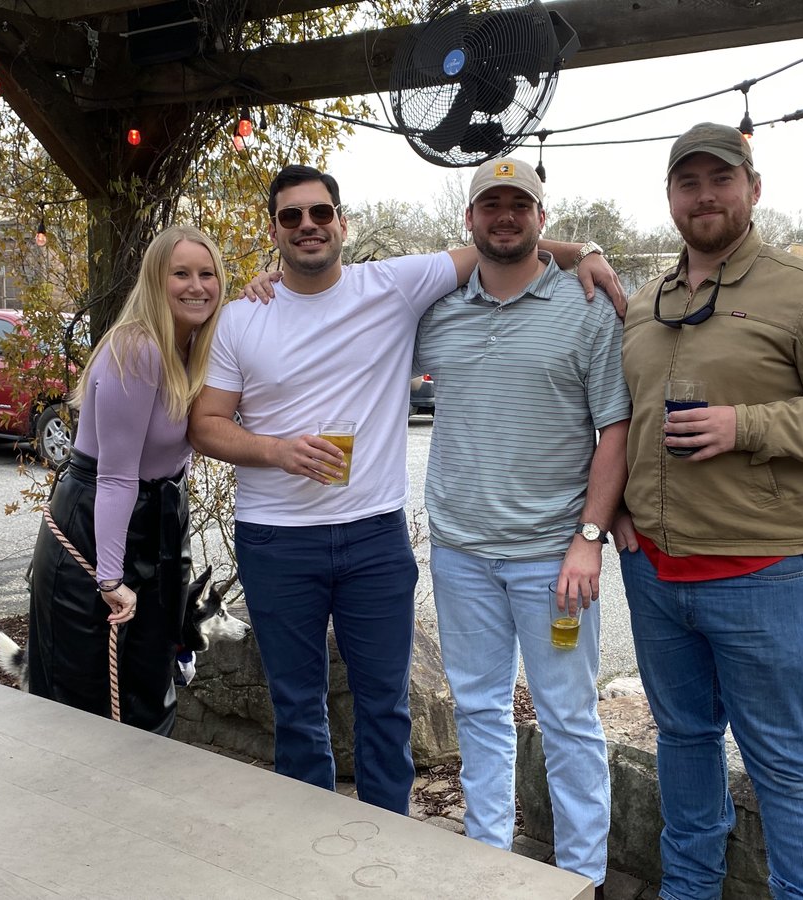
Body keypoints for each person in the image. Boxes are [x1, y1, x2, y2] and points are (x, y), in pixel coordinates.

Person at [187, 164, 622, 815]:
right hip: (276, 540)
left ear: (341, 221)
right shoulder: (244, 318)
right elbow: (205, 425)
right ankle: (308, 851)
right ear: (272, 229)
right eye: (291, 217)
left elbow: (501, 244)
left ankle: (388, 847)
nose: (307, 226)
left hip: (372, 536)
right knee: (297, 708)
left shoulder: (390, 284)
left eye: (320, 214)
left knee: (385, 706)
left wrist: (585, 252)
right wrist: (279, 451)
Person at [613, 123, 803, 900]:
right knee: (684, 740)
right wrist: (618, 512)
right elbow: (621, 418)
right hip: (653, 574)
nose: (705, 196)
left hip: (758, 571)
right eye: (688, 183)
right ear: (670, 197)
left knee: (783, 758)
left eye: (720, 179)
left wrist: (749, 425)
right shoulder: (648, 303)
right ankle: (688, 890)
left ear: (753, 187)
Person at [414, 158, 630, 899]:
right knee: (477, 711)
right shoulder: (438, 311)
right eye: (490, 204)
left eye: (520, 204)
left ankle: (581, 880)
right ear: (469, 219)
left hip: (553, 558)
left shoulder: (587, 306)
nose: (505, 216)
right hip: (462, 552)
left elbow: (616, 430)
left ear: (543, 217)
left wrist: (589, 539)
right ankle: (487, 866)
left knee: (569, 718)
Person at [28, 225, 226, 735]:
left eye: (207, 274)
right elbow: (117, 478)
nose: (196, 286)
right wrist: (111, 579)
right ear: (155, 281)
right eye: (180, 274)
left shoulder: (195, 348)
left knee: (152, 688)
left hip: (160, 523)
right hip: (97, 525)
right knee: (87, 699)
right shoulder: (137, 350)